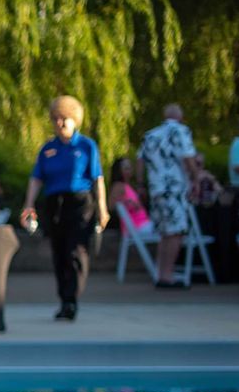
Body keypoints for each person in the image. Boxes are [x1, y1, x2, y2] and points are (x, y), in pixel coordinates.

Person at [20, 95, 108, 321]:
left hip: (79, 203)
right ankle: (64, 299)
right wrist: (29, 205)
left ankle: (72, 298)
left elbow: (97, 178)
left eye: (64, 119)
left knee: (75, 250)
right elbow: (36, 178)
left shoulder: (87, 146)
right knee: (59, 252)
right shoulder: (48, 149)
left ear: (74, 120)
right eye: (55, 119)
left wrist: (102, 208)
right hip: (55, 202)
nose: (59, 123)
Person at [137, 104, 198, 287]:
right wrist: (196, 178)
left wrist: (141, 184)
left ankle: (161, 273)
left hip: (156, 188)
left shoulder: (150, 135)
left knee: (164, 233)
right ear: (180, 117)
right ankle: (167, 275)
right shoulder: (181, 131)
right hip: (174, 188)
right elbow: (188, 157)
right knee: (176, 231)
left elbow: (140, 161)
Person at [107, 158, 150, 232]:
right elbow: (111, 205)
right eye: (126, 168)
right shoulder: (118, 186)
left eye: (130, 167)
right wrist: (126, 202)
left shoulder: (129, 185)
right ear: (119, 171)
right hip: (137, 226)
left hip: (143, 223)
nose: (130, 170)